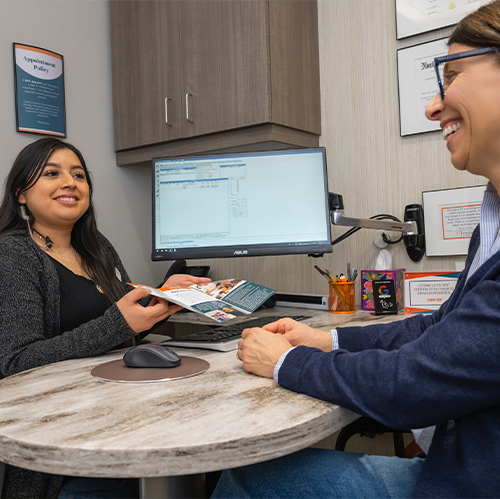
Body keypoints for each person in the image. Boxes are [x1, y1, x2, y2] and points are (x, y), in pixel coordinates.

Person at [212, 2, 500, 498]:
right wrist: (326, 342)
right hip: (462, 465)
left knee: (245, 477)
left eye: (450, 76)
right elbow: (441, 330)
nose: (433, 106)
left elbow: (411, 384)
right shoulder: (493, 214)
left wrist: (285, 361)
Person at [0, 137, 210, 499]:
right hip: (66, 446)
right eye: (52, 173)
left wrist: (163, 299)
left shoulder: (97, 246)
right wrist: (121, 323)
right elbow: (16, 363)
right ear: (21, 194)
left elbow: (122, 334)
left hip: (122, 415)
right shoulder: (13, 254)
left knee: (206, 458)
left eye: (79, 175)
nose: (70, 182)